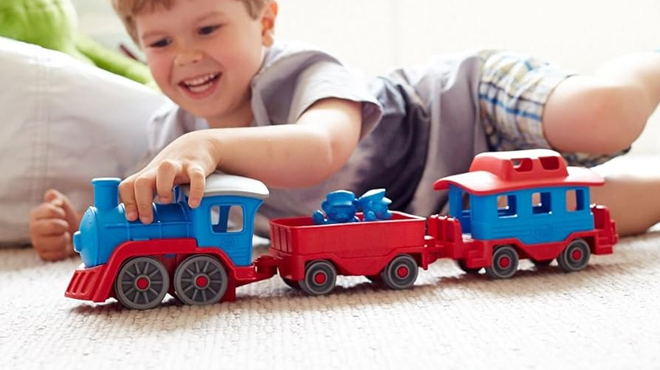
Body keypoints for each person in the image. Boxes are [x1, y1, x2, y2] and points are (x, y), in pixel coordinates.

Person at [28, 0, 660, 261]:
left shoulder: (304, 72)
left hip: (469, 107)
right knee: (599, 210)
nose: (187, 56)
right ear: (137, 51)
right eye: (161, 41)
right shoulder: (173, 130)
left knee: (601, 115)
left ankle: (647, 67)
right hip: (451, 204)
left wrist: (209, 144)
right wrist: (80, 227)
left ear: (266, 23)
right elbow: (168, 218)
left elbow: (319, 151)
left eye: (208, 29)